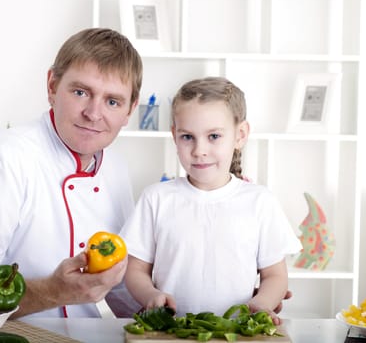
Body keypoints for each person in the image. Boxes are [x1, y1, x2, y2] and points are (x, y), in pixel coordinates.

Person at [0, 28, 143, 318]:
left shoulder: (117, 167)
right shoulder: (1, 160)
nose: (94, 113)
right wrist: (53, 290)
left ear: (130, 109)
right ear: (52, 86)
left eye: (112, 101)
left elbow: (120, 286)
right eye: (81, 92)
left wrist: (161, 314)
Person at [120, 77, 302, 324]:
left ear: (240, 135)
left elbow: (275, 276)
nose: (199, 150)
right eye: (187, 137)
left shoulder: (260, 202)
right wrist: (150, 295)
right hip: (172, 331)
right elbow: (136, 270)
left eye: (214, 136)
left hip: (238, 333)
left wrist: (262, 304)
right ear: (174, 135)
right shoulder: (156, 199)